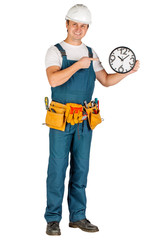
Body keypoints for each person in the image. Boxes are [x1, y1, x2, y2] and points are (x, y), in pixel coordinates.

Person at [44, 4, 140, 236]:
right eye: (74, 24)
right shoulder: (55, 51)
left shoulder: (91, 52)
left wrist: (126, 72)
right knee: (57, 169)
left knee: (81, 169)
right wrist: (78, 65)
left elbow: (105, 80)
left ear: (87, 28)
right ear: (66, 24)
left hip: (85, 121)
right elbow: (54, 80)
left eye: (83, 26)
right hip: (61, 119)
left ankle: (78, 216)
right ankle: (53, 219)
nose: (78, 29)